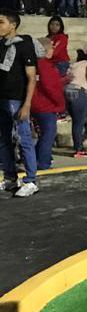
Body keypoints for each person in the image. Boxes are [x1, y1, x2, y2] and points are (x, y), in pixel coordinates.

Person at [0, 10, 39, 196]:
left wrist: (27, 104)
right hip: (2, 98)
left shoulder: (24, 46)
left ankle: (31, 180)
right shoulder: (1, 45)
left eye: (1, 22)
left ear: (13, 25)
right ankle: (10, 178)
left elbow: (32, 77)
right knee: (4, 140)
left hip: (17, 99)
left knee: (24, 139)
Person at [31, 37, 64, 171]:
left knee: (43, 135)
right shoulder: (45, 65)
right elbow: (50, 87)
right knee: (48, 134)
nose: (53, 49)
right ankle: (43, 162)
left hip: (35, 104)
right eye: (51, 47)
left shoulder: (34, 64)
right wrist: (60, 104)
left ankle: (36, 158)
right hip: (46, 106)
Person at [65, 50, 87, 157]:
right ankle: (78, 149)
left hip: (68, 91)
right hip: (79, 92)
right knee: (81, 122)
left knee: (77, 122)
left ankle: (78, 144)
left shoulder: (74, 65)